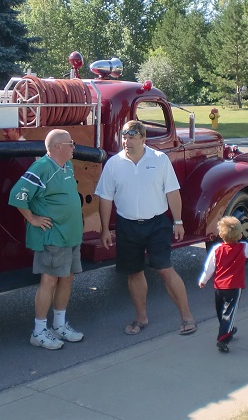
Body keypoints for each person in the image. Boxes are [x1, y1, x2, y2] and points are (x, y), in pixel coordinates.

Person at [97, 120, 197, 336]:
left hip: (157, 224)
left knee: (165, 269)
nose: (127, 141)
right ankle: (141, 318)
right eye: (124, 137)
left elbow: (172, 192)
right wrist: (105, 229)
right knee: (134, 272)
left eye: (131, 137)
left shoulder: (159, 160)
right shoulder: (114, 164)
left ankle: (187, 316)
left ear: (143, 139)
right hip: (127, 225)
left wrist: (178, 222)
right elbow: (105, 197)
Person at [8, 129, 84, 350]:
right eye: (71, 143)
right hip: (52, 236)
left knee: (67, 278)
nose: (74, 147)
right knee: (49, 281)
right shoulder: (41, 167)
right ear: (58, 147)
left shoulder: (67, 165)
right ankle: (39, 331)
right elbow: (18, 195)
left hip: (70, 235)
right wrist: (32, 219)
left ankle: (59, 325)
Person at [198, 216, 248, 353]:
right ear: (240, 235)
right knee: (230, 312)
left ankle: (228, 329)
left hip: (219, 286)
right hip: (234, 287)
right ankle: (223, 338)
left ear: (221, 235)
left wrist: (203, 280)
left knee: (221, 310)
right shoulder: (244, 248)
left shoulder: (217, 249)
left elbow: (209, 266)